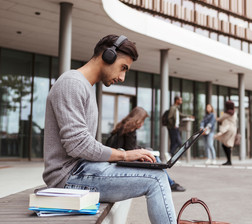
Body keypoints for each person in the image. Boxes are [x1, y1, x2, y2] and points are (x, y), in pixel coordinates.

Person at [42, 34, 177, 224]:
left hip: (82, 169)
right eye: (123, 68)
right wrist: (124, 156)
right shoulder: (71, 83)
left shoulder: (84, 87)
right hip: (68, 177)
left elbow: (83, 145)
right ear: (107, 55)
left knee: (153, 166)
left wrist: (127, 155)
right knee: (156, 179)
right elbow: (77, 145)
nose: (122, 77)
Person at [105, 106, 186, 192]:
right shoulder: (130, 129)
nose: (143, 123)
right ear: (138, 119)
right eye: (143, 120)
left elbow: (129, 146)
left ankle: (170, 183)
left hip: (119, 158)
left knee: (152, 155)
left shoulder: (124, 126)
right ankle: (171, 184)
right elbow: (130, 150)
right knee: (154, 159)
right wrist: (144, 151)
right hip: (121, 161)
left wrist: (143, 149)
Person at [214, 100, 237, 166]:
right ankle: (229, 161)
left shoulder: (227, 113)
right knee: (227, 145)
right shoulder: (233, 112)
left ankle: (229, 161)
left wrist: (216, 116)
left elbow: (220, 119)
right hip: (233, 129)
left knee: (225, 144)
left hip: (228, 130)